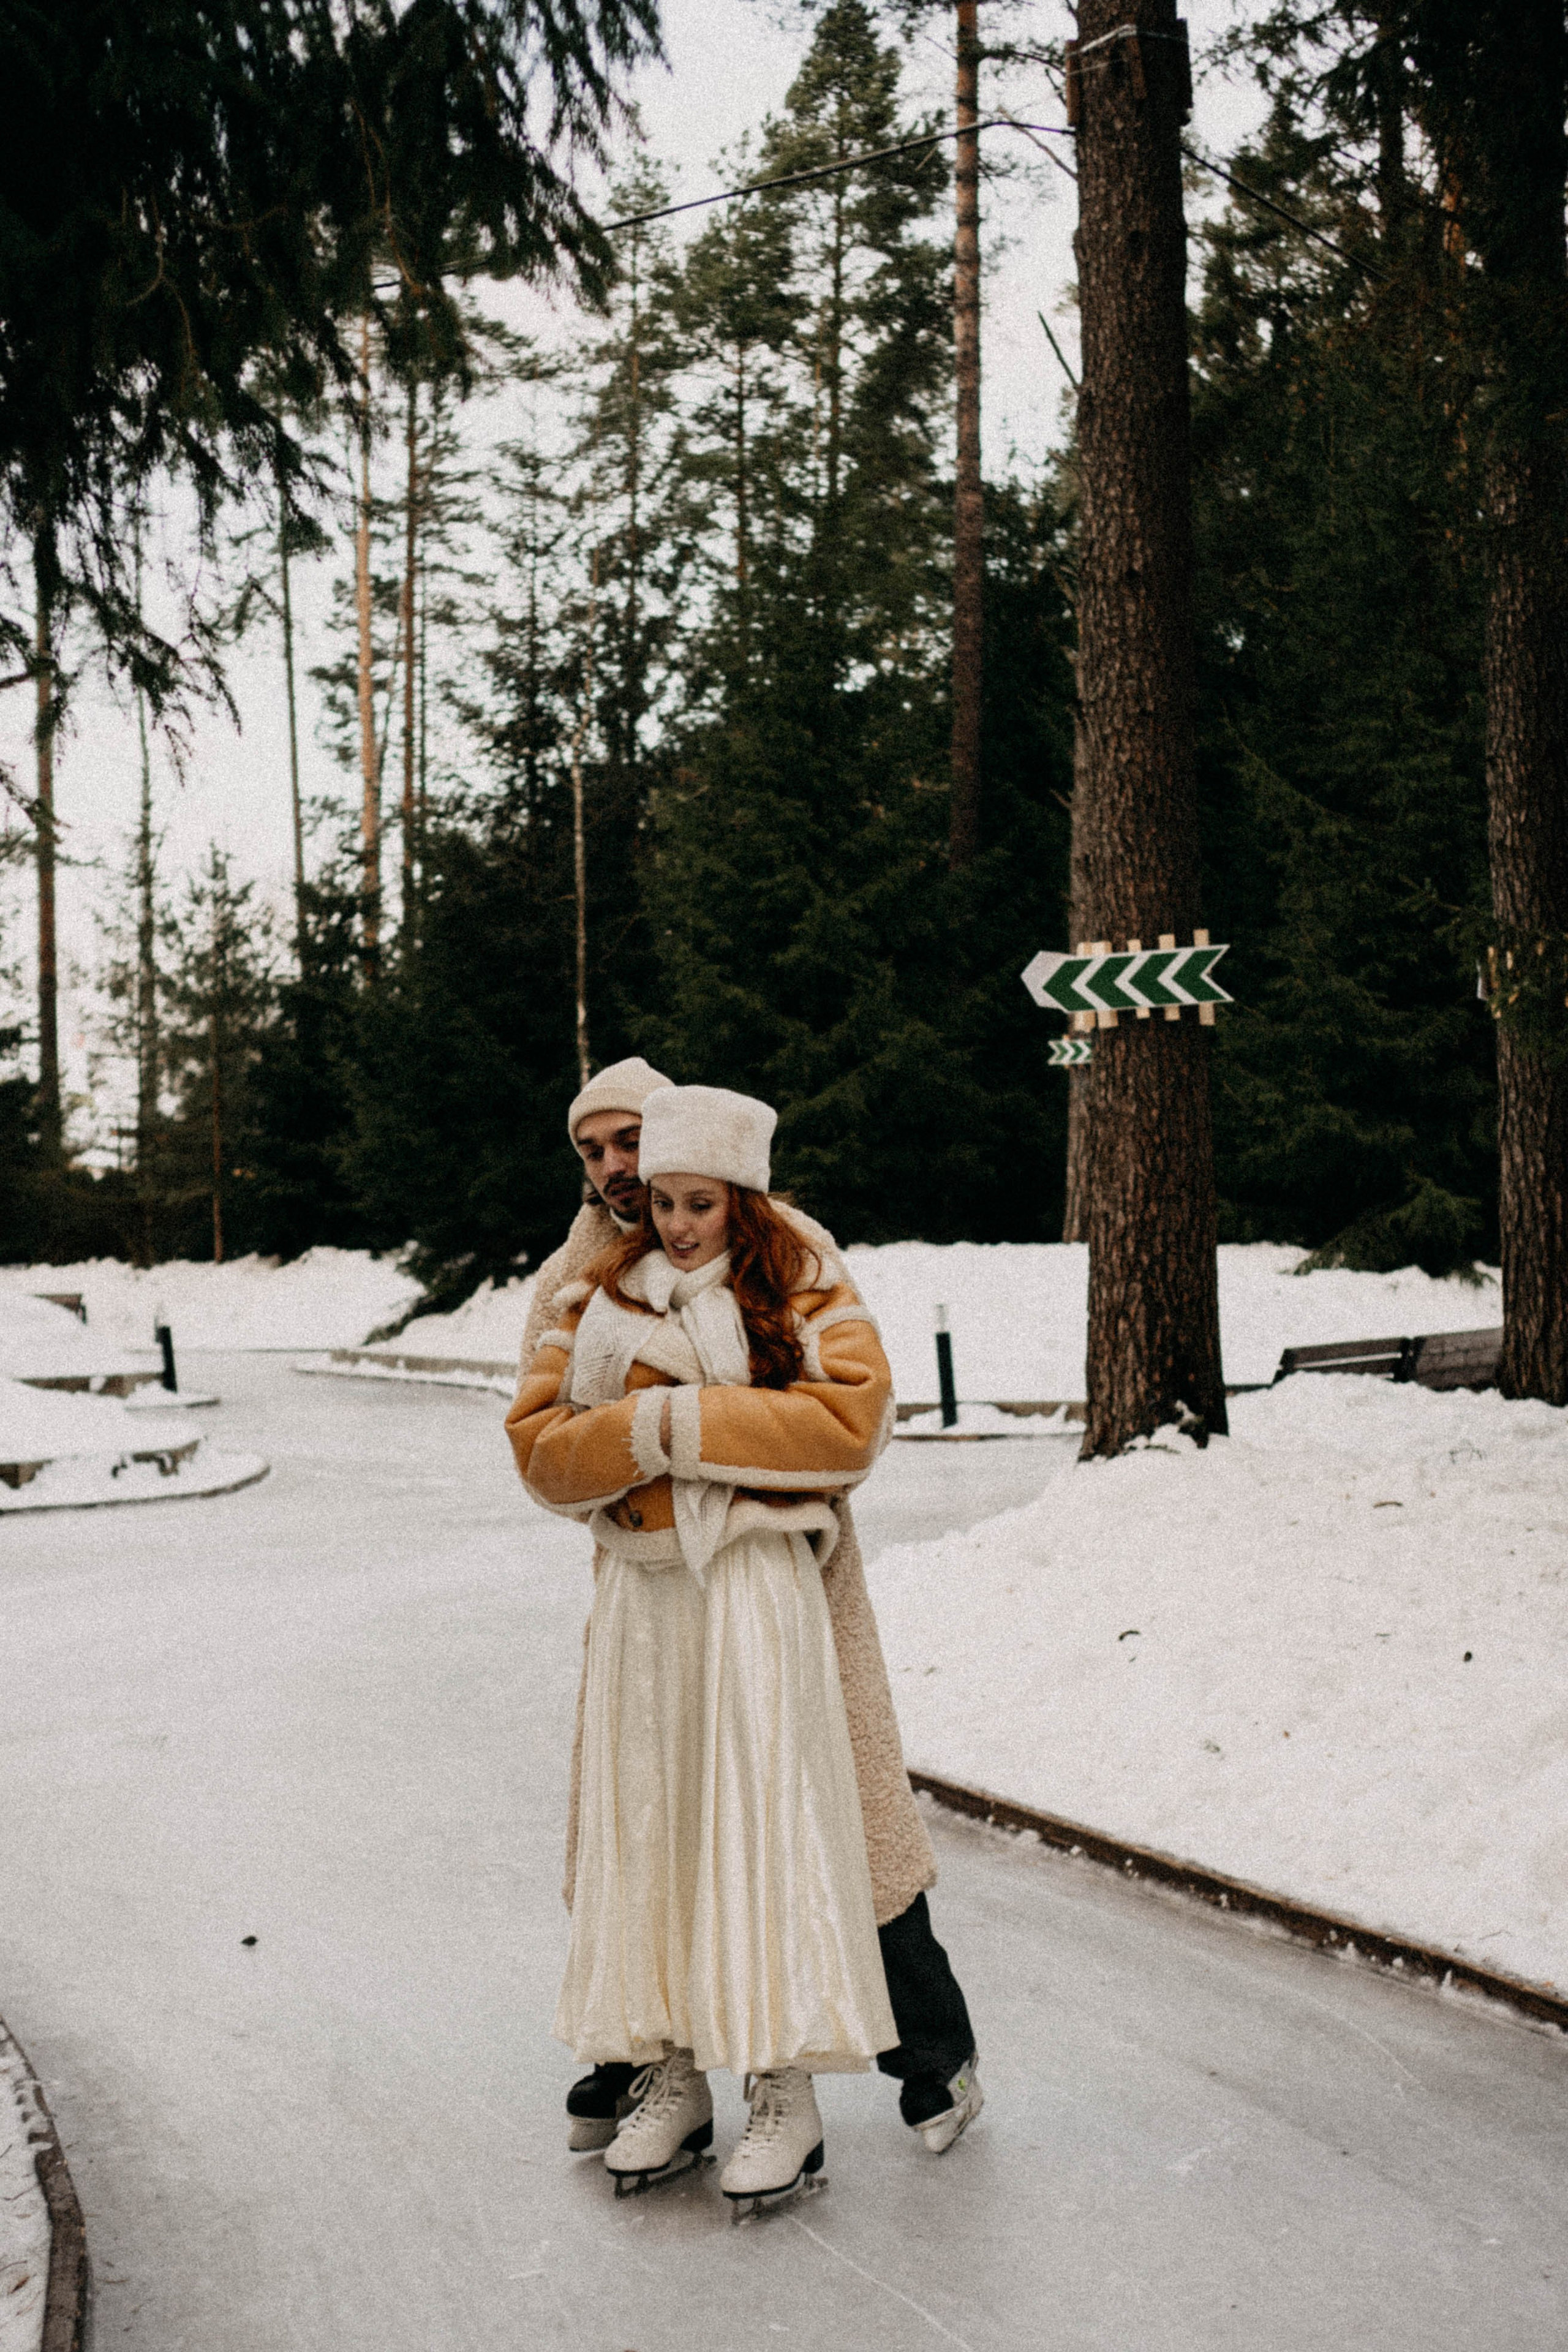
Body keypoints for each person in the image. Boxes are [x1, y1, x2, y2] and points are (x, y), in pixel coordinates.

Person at [515, 1058, 981, 2163]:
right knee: (659, 1824)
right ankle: (647, 2062)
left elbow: (842, 1420)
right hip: (649, 1586)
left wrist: (676, 1422)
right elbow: (541, 1441)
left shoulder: (784, 1245)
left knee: (831, 1828)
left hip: (787, 1587)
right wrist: (638, 1450)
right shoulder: (583, 1274)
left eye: (632, 1143)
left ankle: (928, 2054)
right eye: (596, 1154)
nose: (621, 1172)